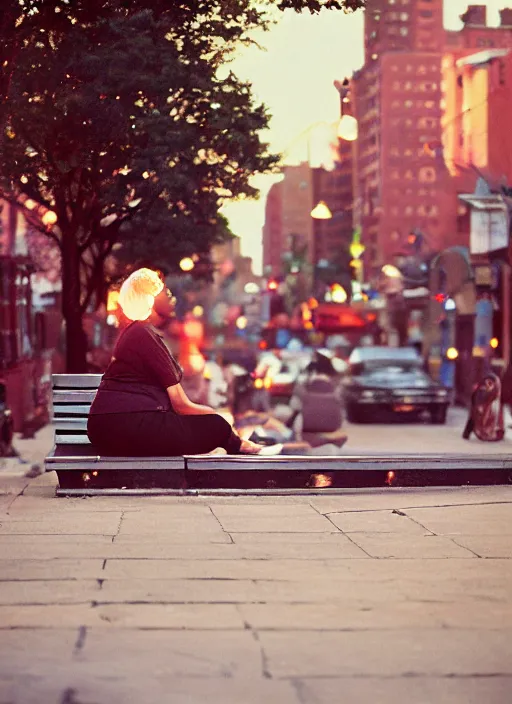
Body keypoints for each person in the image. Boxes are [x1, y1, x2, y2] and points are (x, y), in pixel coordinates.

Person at [87, 268, 281, 456]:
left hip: (117, 424)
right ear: (149, 300)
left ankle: (239, 445)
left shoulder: (138, 332)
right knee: (217, 426)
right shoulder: (141, 334)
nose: (170, 294)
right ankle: (242, 448)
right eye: (162, 291)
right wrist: (215, 416)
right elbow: (180, 404)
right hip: (124, 424)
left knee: (213, 425)